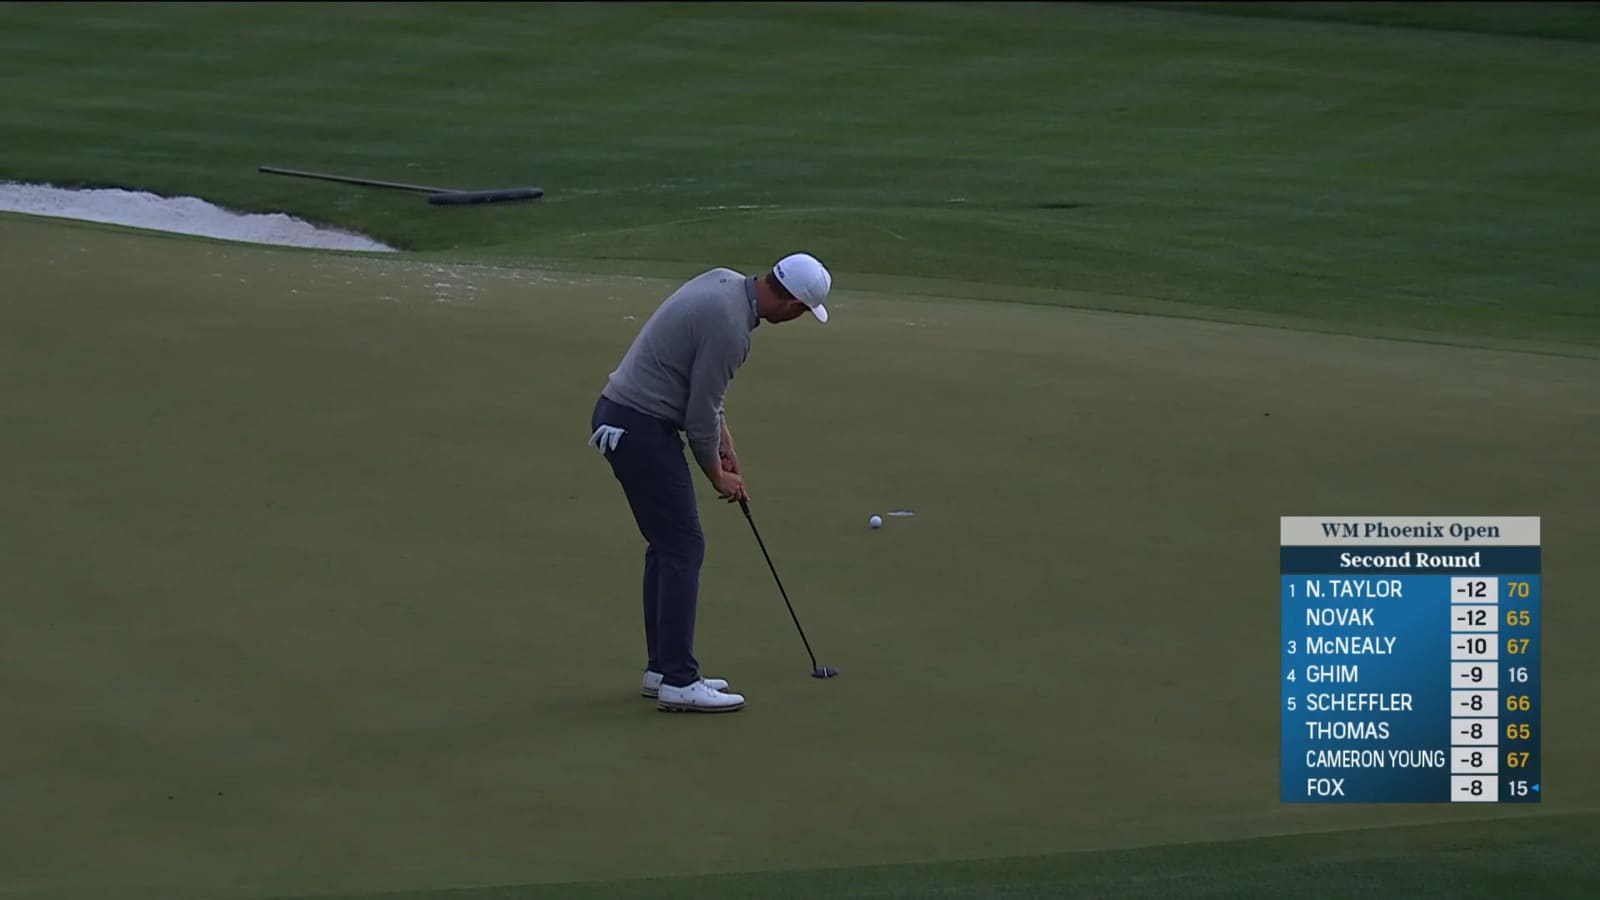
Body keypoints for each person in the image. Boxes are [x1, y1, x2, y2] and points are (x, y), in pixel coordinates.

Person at [588, 252, 832, 713]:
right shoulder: (733, 329)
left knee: (667, 545)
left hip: (624, 416)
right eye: (802, 313)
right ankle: (679, 680)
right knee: (683, 547)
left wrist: (727, 442)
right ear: (795, 305)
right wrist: (720, 476)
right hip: (640, 428)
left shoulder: (725, 283)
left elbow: (705, 396)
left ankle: (663, 669)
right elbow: (698, 417)